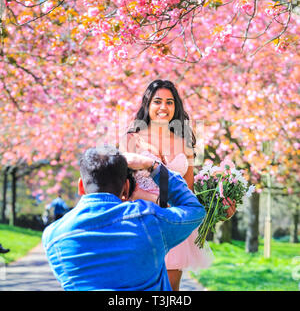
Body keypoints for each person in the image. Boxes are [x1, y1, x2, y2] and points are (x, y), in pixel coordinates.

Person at [120, 79, 235, 290]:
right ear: (147, 104)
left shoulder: (184, 143)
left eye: (169, 102)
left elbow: (188, 192)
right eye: (157, 101)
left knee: (171, 291)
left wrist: (219, 208)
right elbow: (122, 187)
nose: (163, 107)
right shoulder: (132, 139)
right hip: (141, 222)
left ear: (176, 107)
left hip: (175, 224)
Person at [42, 146, 206, 291]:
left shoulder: (53, 236)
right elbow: (193, 210)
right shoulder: (150, 220)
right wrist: (152, 165)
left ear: (81, 186)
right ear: (126, 187)